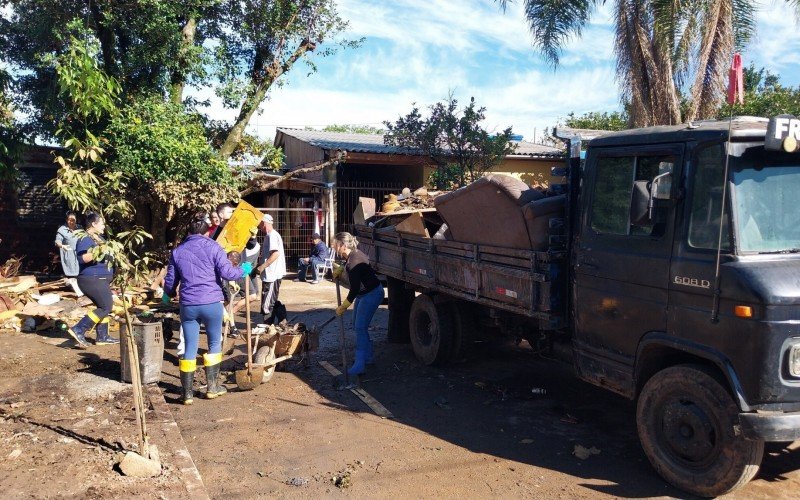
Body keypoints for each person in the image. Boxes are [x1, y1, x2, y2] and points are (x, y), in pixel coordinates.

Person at [164, 217, 251, 405]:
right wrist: (243, 270)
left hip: (188, 305)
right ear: (207, 232)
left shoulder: (178, 251)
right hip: (211, 302)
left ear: (189, 232)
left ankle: (187, 394)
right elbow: (228, 273)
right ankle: (212, 388)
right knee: (214, 343)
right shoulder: (214, 247)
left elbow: (171, 281)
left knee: (189, 346)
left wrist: (168, 294)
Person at [332, 232, 383, 376]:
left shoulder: (353, 261)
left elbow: (354, 289)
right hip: (364, 293)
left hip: (372, 294)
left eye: (335, 244)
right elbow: (356, 269)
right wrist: (342, 269)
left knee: (360, 327)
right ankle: (368, 357)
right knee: (357, 324)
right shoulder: (353, 255)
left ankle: (360, 364)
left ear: (342, 245)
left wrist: (344, 306)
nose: (333, 246)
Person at [66, 213, 118, 348]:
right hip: (92, 279)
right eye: (102, 223)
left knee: (103, 306)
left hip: (100, 279)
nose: (104, 226)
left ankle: (103, 336)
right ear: (93, 224)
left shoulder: (98, 239)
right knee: (106, 306)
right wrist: (99, 250)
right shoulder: (85, 239)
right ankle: (78, 329)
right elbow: (82, 259)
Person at [250, 214, 286, 324]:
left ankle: (267, 325)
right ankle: (282, 319)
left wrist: (262, 267)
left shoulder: (272, 236)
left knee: (267, 303)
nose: (259, 227)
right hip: (270, 274)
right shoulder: (269, 236)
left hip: (272, 274)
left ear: (264, 223)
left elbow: (275, 254)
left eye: (260, 224)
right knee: (271, 299)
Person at [55, 211, 84, 297]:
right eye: (69, 220)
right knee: (72, 274)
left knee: (81, 272)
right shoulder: (62, 230)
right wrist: (62, 246)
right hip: (70, 253)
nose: (71, 222)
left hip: (79, 252)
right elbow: (57, 241)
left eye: (73, 220)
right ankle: (77, 292)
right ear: (66, 220)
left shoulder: (80, 228)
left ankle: (82, 289)